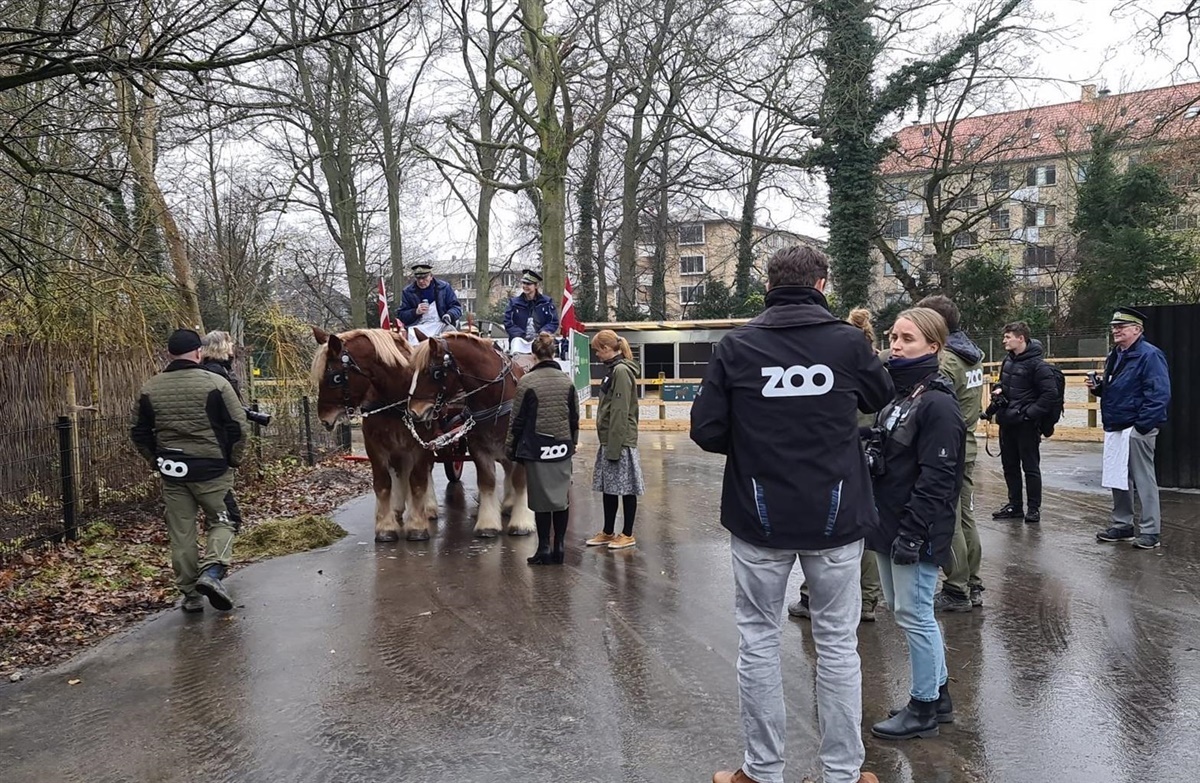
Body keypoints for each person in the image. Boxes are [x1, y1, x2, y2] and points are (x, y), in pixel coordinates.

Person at [691, 246, 891, 783]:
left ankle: (762, 772)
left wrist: (758, 441)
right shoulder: (847, 342)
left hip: (759, 515)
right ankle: (843, 774)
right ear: (821, 285)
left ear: (769, 285)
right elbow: (880, 394)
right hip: (836, 515)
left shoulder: (737, 345)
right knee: (837, 644)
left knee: (758, 639)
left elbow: (706, 429)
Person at [866, 307, 964, 741]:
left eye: (907, 339)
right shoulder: (903, 395)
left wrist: (913, 531)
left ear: (933, 346)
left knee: (915, 613)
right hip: (889, 521)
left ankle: (923, 706)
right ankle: (938, 696)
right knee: (902, 609)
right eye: (893, 337)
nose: (896, 345)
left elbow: (939, 476)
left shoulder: (938, 404)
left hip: (916, 526)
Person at [130, 329, 249, 613]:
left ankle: (190, 595)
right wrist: (233, 459)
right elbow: (238, 427)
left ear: (169, 354)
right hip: (211, 469)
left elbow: (139, 432)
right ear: (198, 352)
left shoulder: (150, 388)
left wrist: (155, 460)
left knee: (181, 532)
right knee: (224, 520)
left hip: (173, 471)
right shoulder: (216, 384)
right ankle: (212, 572)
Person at [788, 307, 884, 624]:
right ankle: (867, 599)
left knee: (827, 527)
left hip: (840, 453)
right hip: (873, 450)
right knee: (866, 528)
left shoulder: (837, 361)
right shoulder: (875, 364)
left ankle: (811, 595)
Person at [916, 295, 986, 613]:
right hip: (966, 443)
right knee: (966, 516)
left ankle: (957, 587)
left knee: (949, 519)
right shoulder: (972, 356)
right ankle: (973, 582)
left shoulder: (946, 361)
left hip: (948, 448)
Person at [1091, 307, 1171, 550]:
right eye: (1114, 327)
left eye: (1121, 327)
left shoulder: (1150, 355)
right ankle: (1122, 524)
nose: (1116, 330)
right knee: (1117, 476)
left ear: (1137, 329)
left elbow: (1159, 394)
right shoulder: (1115, 355)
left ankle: (1150, 531)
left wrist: (1142, 426)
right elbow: (1118, 387)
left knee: (1143, 479)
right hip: (1116, 425)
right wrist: (1099, 388)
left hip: (1136, 427)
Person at [506, 333, 580, 565]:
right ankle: (560, 547)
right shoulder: (567, 381)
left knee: (540, 501)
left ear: (533, 354)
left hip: (537, 447)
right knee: (561, 498)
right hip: (562, 447)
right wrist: (572, 443)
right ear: (554, 353)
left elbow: (517, 419)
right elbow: (574, 417)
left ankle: (544, 548)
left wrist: (511, 447)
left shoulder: (527, 382)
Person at [986, 321, 1057, 525]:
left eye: (1008, 337)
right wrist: (999, 389)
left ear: (1021, 338)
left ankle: (1033, 508)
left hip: (1026, 425)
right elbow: (1005, 382)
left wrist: (1029, 414)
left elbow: (1049, 395)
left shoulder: (1038, 365)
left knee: (1030, 467)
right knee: (1009, 466)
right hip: (1007, 422)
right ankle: (1015, 505)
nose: (1004, 341)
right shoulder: (1008, 361)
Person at [584, 330, 643, 551]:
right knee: (609, 486)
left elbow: (620, 410)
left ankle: (627, 534)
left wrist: (615, 446)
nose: (597, 355)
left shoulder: (621, 371)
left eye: (598, 350)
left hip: (620, 439)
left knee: (626, 487)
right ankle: (608, 531)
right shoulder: (613, 369)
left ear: (607, 348)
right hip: (610, 438)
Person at [199, 330, 246, 537]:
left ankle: (224, 523)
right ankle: (228, 524)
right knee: (218, 485)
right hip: (218, 437)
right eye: (230, 343)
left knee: (218, 485)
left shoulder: (219, 369)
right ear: (221, 347)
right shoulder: (216, 372)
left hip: (218, 435)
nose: (233, 347)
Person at [397, 262, 463, 334]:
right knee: (413, 335)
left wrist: (449, 315)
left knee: (450, 333)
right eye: (418, 278)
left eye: (424, 278)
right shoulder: (408, 292)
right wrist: (415, 312)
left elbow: (456, 307)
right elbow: (401, 315)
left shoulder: (444, 288)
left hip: (442, 324)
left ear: (431, 276)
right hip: (418, 326)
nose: (421, 281)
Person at [504, 269, 559, 339]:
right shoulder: (514, 303)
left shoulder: (546, 302)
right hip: (519, 340)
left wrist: (544, 332)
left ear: (536, 286)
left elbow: (553, 321)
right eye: (524, 283)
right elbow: (508, 323)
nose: (525, 286)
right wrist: (520, 335)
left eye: (529, 284)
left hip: (540, 340)